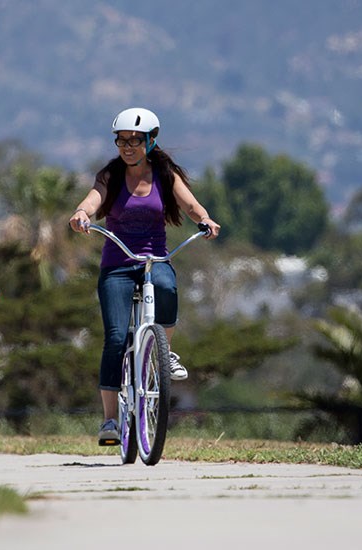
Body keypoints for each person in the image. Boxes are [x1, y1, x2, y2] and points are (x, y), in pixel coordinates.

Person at [68, 107, 221, 445]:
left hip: (155, 260)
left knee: (167, 284)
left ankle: (163, 351)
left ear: (151, 141)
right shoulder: (110, 175)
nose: (127, 146)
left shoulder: (165, 175)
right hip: (117, 266)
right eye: (121, 140)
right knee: (116, 338)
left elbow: (192, 206)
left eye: (135, 140)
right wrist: (81, 213)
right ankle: (109, 420)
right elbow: (92, 201)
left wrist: (205, 220)